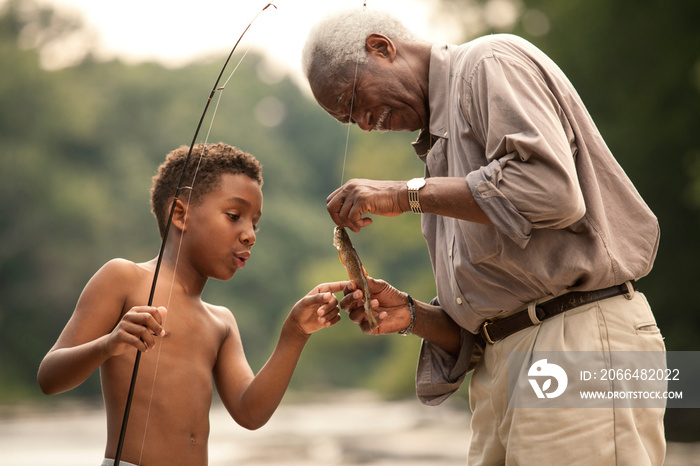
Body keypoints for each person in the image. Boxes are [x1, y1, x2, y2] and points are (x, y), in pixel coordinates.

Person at [302, 9, 666, 466]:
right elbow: (488, 317)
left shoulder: (488, 61)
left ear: (382, 47)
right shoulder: (437, 149)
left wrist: (404, 194)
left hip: (577, 340)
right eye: (347, 119)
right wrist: (413, 315)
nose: (363, 122)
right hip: (507, 365)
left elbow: (552, 191)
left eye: (355, 100)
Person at [37, 143, 347, 466]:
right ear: (181, 214)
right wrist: (108, 344)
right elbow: (49, 377)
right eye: (234, 216)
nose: (250, 235)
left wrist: (295, 332)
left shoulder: (221, 323)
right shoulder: (123, 279)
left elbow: (250, 412)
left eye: (255, 223)